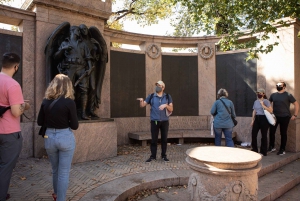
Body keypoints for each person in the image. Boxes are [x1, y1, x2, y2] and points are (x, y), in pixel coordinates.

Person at [37, 74, 79, 201]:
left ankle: (56, 195)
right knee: (64, 172)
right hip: (65, 137)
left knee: (55, 170)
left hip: (49, 137)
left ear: (53, 85)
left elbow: (39, 122)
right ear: (68, 86)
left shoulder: (45, 101)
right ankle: (61, 199)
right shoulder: (69, 102)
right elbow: (75, 125)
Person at [0, 52, 30, 201]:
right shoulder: (12, 84)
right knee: (5, 167)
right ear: (16, 67)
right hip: (9, 133)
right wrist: (25, 105)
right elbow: (16, 111)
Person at [54, 26, 93, 120]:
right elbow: (56, 57)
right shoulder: (65, 43)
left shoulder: (83, 44)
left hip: (81, 68)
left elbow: (88, 57)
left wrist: (90, 68)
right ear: (72, 31)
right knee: (67, 90)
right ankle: (66, 113)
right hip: (69, 68)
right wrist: (63, 49)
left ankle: (83, 113)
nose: (79, 32)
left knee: (84, 90)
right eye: (77, 30)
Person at [138, 81, 173, 162]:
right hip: (154, 121)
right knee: (154, 140)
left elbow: (171, 109)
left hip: (164, 121)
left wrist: (166, 105)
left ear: (163, 87)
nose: (157, 87)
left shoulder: (167, 96)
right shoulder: (151, 96)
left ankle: (164, 155)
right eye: (157, 85)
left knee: (164, 139)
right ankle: (153, 156)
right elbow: (143, 105)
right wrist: (141, 101)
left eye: (159, 85)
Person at [268, 81, 299, 155]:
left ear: (284, 87)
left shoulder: (288, 95)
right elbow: (269, 104)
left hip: (285, 117)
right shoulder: (273, 95)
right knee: (271, 132)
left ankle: (282, 149)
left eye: (280, 85)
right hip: (274, 116)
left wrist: (295, 115)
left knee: (283, 133)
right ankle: (271, 147)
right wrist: (269, 112)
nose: (278, 86)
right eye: (277, 85)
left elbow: (296, 104)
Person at [250, 89, 273, 156]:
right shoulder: (256, 101)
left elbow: (271, 110)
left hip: (264, 118)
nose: (259, 94)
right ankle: (254, 149)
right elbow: (254, 111)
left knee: (264, 135)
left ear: (263, 94)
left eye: (260, 93)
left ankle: (263, 151)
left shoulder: (266, 101)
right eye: (258, 93)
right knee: (253, 134)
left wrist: (263, 105)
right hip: (257, 118)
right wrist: (252, 120)